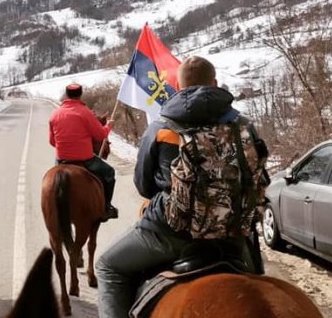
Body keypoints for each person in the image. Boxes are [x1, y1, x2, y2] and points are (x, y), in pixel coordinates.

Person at [95, 56, 266, 318]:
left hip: (171, 233)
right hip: (232, 231)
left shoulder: (162, 126)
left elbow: (143, 186)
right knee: (260, 286)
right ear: (215, 83)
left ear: (178, 86)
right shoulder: (244, 125)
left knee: (108, 267)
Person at [49, 83, 118, 221]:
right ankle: (106, 207)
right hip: (85, 159)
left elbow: (52, 142)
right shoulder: (85, 112)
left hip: (61, 160)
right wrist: (108, 126)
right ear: (80, 94)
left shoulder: (55, 114)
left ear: (67, 94)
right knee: (109, 172)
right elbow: (99, 135)